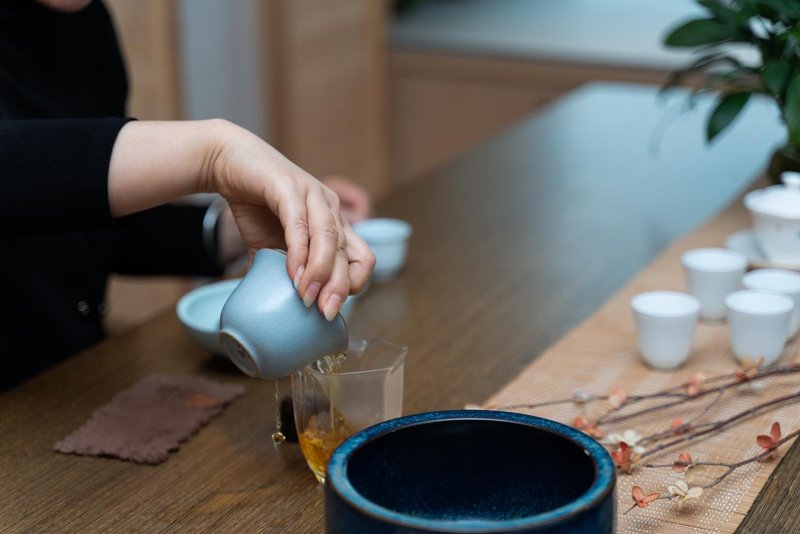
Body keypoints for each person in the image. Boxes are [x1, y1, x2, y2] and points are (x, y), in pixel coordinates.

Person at [0, 0, 375, 391]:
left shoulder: (85, 24)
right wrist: (212, 154)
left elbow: (82, 213)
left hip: (74, 381)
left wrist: (239, 225)